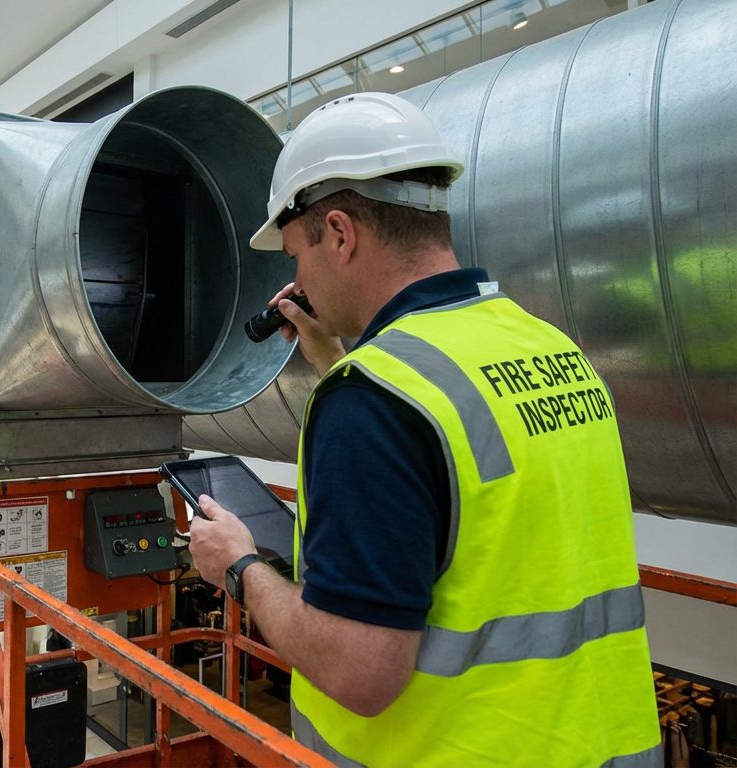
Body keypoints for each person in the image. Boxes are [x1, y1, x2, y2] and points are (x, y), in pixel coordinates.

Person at [186, 92, 658, 767]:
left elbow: (361, 672)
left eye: (297, 254)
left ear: (342, 234)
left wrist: (238, 566)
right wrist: (341, 365)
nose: (298, 279)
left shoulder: (371, 404)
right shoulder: (550, 349)